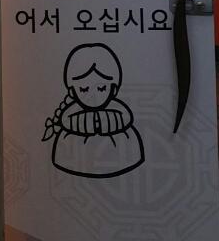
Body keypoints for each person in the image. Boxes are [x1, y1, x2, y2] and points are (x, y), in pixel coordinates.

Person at [43, 43, 145, 178]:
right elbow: (65, 119)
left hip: (117, 144)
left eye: (102, 88)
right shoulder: (74, 108)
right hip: (77, 144)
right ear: (72, 92)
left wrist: (112, 121)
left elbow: (126, 116)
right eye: (83, 89)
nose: (93, 94)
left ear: (114, 89)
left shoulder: (115, 106)